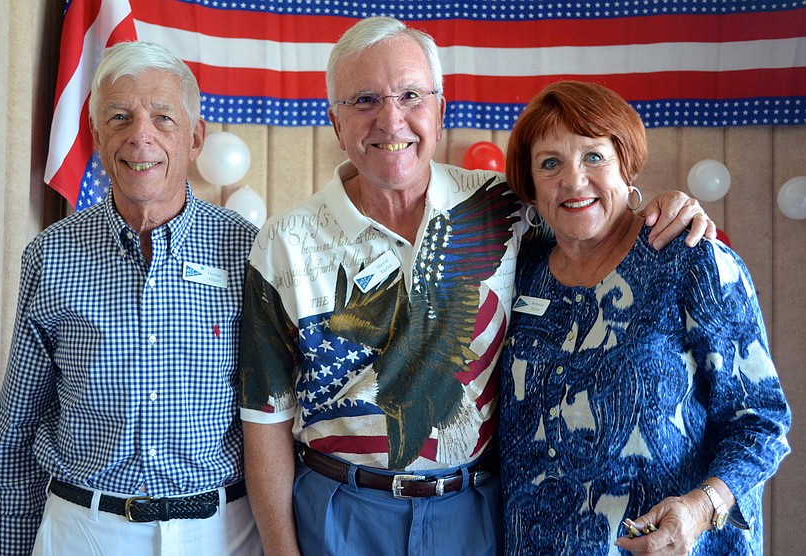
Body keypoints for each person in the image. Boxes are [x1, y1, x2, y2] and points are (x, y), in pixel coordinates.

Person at [238, 17, 716, 556]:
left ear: (440, 110)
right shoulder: (285, 241)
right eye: (365, 100)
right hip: (339, 512)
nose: (391, 120)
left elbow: (587, 212)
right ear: (335, 121)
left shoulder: (507, 207)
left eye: (411, 95)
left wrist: (662, 206)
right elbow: (264, 420)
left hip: (474, 513)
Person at [0, 41, 262, 556]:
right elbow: (18, 420)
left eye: (162, 117)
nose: (141, 136)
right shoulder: (51, 255)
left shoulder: (248, 250)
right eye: (119, 117)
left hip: (224, 532)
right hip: (85, 532)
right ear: (96, 134)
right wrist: (11, 539)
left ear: (195, 137)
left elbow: (274, 414)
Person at [499, 80, 791, 555]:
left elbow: (761, 420)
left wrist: (701, 509)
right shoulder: (518, 271)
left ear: (626, 165)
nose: (574, 181)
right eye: (550, 163)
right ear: (531, 188)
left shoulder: (691, 261)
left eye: (594, 156)